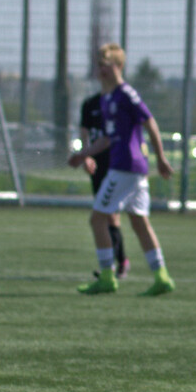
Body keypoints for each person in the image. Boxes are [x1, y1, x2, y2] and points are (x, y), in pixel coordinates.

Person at [68, 43, 175, 297]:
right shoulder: (107, 99)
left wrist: (161, 157)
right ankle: (161, 276)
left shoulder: (126, 94)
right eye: (99, 65)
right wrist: (84, 155)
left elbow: (149, 122)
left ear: (117, 66)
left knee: (97, 219)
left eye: (105, 64)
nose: (100, 69)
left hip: (125, 166)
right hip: (133, 169)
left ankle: (107, 276)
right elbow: (106, 138)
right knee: (139, 222)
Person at [75, 91, 129, 279]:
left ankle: (114, 265)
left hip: (115, 165)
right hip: (97, 167)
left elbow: (111, 138)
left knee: (109, 216)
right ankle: (119, 262)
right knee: (105, 216)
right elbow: (85, 132)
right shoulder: (90, 103)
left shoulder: (120, 101)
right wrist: (86, 155)